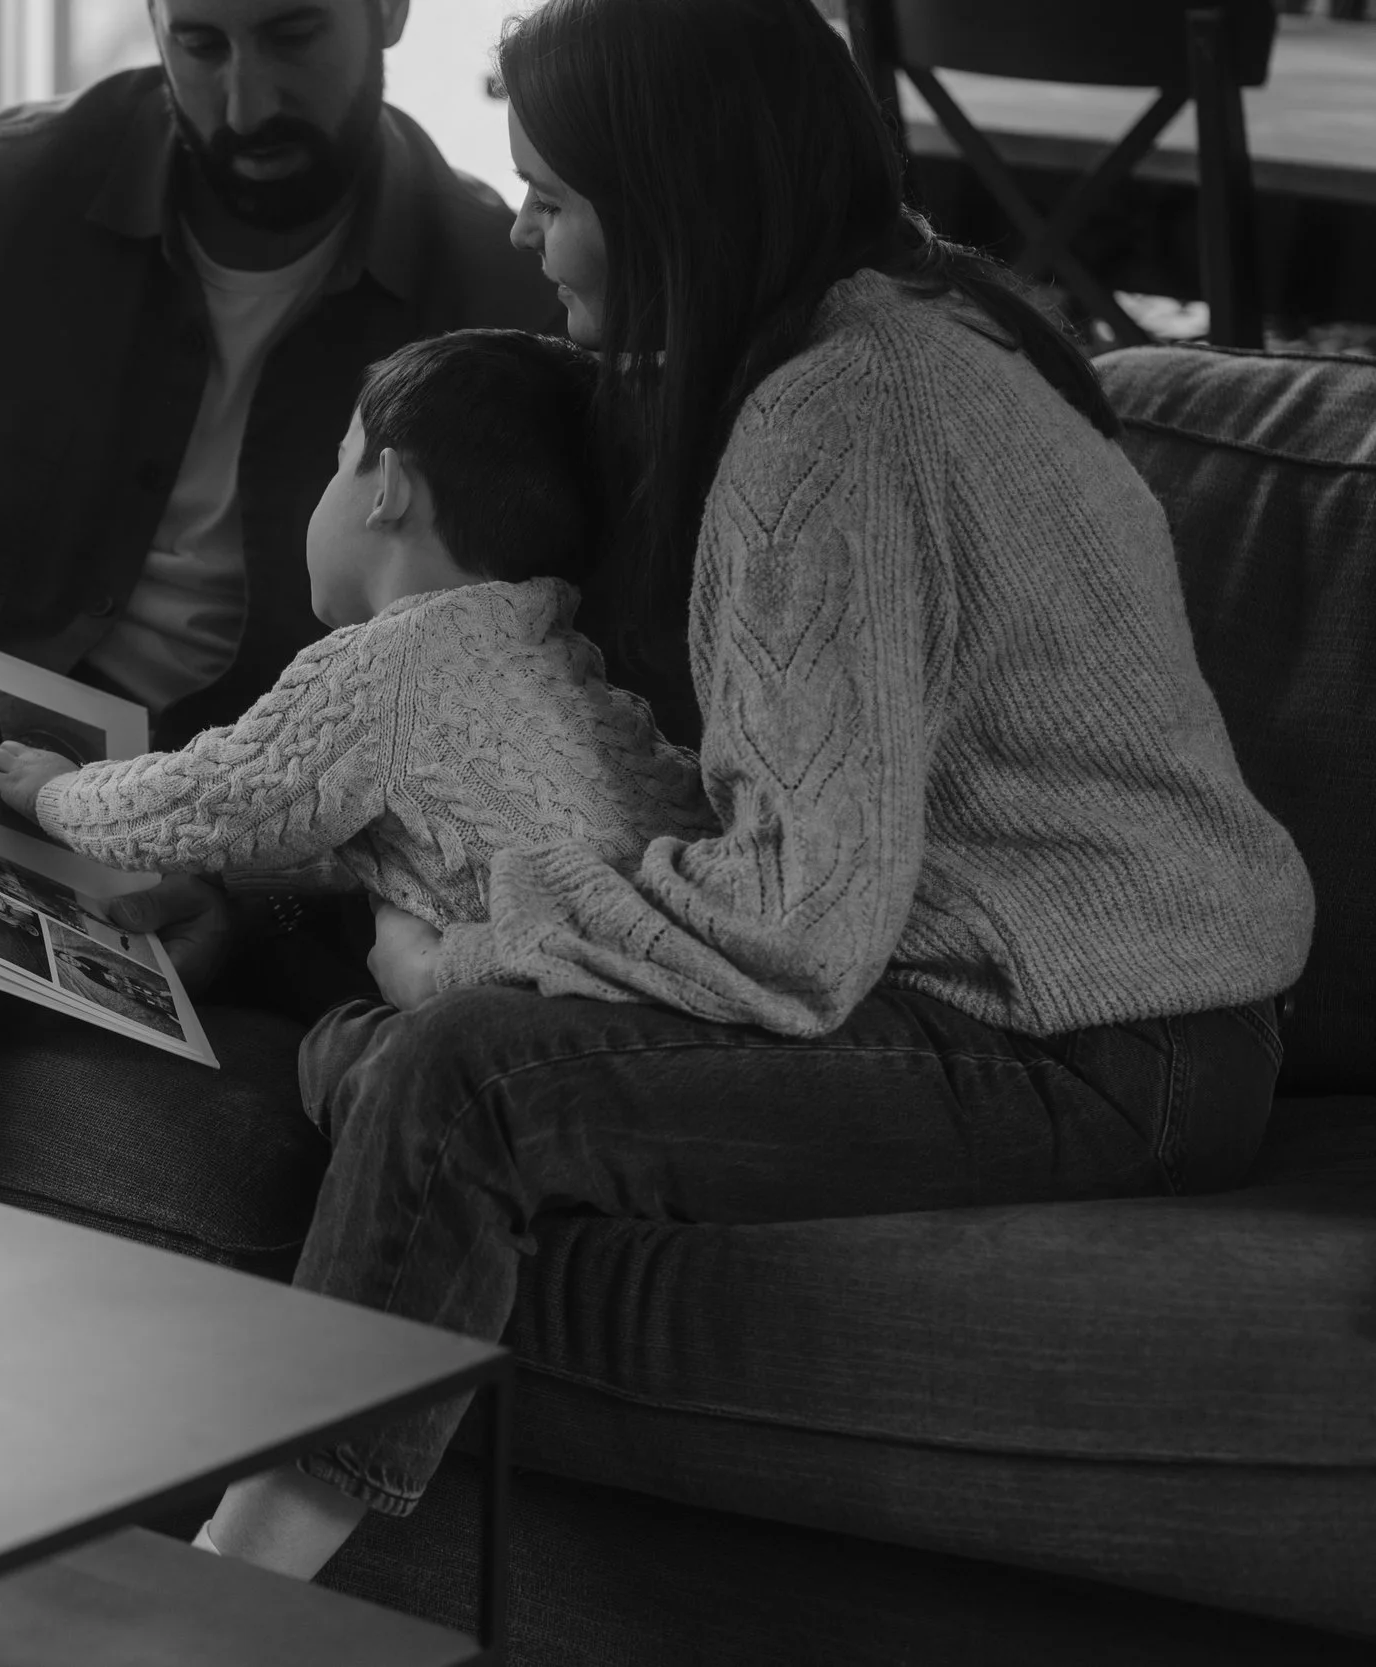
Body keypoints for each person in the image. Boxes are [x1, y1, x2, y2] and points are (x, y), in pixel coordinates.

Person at [195, 0, 1317, 1581]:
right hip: (1092, 1006)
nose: (526, 236)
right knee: (383, 1050)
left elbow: (796, 920)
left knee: (458, 1073)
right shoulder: (902, 332)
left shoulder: (834, 418)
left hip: (1091, 1036)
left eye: (555, 199)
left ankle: (214, 1597)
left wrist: (472, 953)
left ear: (671, 203)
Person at [0, 0, 561, 1164]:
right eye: (200, 44)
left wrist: (249, 906)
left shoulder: (495, 305)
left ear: (390, 11)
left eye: (293, 34)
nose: (246, 101)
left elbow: (496, 731)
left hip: (227, 830)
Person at [0, 329, 711, 935]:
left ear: (387, 490)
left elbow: (211, 796)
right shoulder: (553, 657)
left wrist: (57, 792)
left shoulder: (397, 659)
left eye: (340, 462)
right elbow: (370, 828)